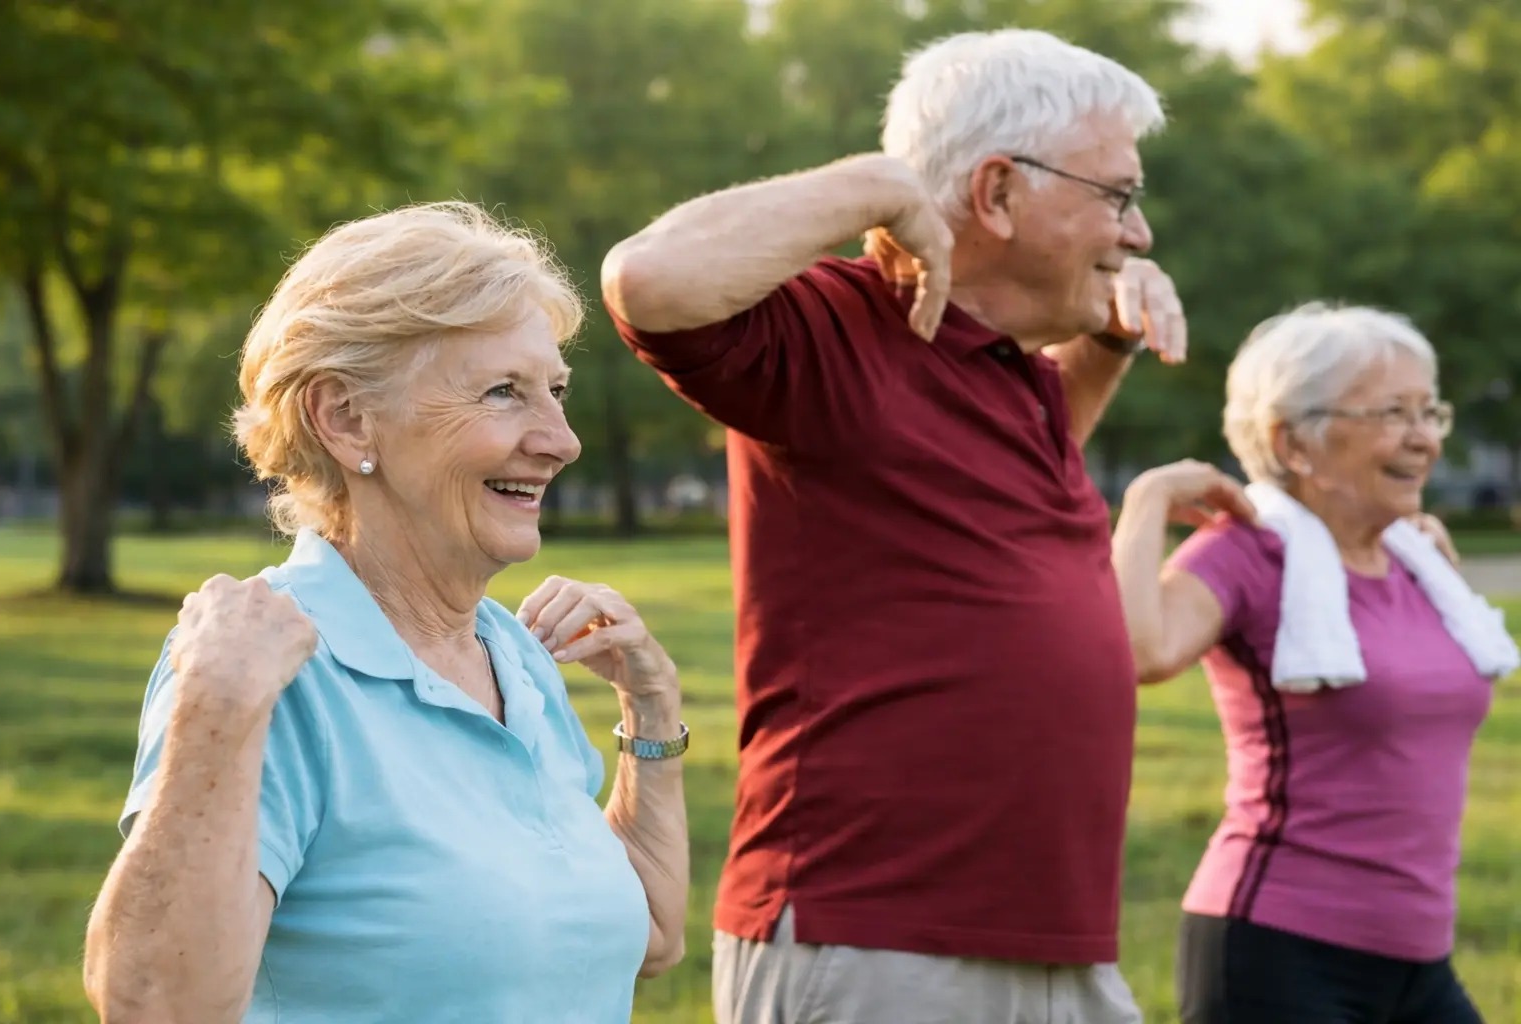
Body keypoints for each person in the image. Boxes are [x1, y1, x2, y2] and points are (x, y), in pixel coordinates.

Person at [604, 28, 1189, 1023]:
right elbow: (647, 282)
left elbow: (996, 522)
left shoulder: (1009, 371)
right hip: (876, 935)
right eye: (1118, 195)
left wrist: (1107, 338)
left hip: (1055, 943)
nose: (1138, 233)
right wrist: (875, 185)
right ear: (998, 193)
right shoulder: (846, 328)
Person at [82, 202, 689, 1024]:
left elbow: (648, 935)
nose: (562, 439)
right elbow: (154, 1005)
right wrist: (217, 714)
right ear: (345, 419)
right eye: (503, 392)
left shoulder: (512, 653)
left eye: (556, 390)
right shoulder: (271, 668)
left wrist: (649, 712)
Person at [1111, 303, 1500, 1023]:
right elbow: (1142, 651)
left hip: (1419, 958)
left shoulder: (1417, 558)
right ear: (1293, 443)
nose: (1423, 440)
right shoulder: (1252, 551)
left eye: (1429, 412)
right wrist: (1147, 502)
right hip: (1280, 949)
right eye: (1392, 413)